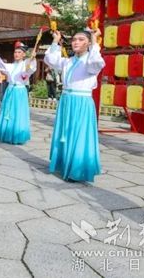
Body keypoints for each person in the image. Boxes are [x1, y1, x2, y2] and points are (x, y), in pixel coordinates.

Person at [45, 29, 104, 182]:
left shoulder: (91, 60)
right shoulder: (68, 61)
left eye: (81, 39)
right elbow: (51, 60)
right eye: (74, 39)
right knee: (65, 132)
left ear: (88, 43)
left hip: (81, 101)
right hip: (66, 100)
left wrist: (94, 40)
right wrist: (55, 40)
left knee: (79, 134)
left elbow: (96, 63)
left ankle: (77, 169)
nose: (76, 42)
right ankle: (64, 163)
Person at [0, 43, 36, 145]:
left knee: (18, 112)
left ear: (23, 54)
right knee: (7, 112)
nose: (16, 54)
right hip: (10, 90)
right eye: (15, 52)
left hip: (19, 91)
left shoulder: (26, 64)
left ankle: (17, 135)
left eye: (19, 52)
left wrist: (32, 59)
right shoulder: (11, 66)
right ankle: (5, 133)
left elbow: (29, 69)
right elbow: (1, 65)